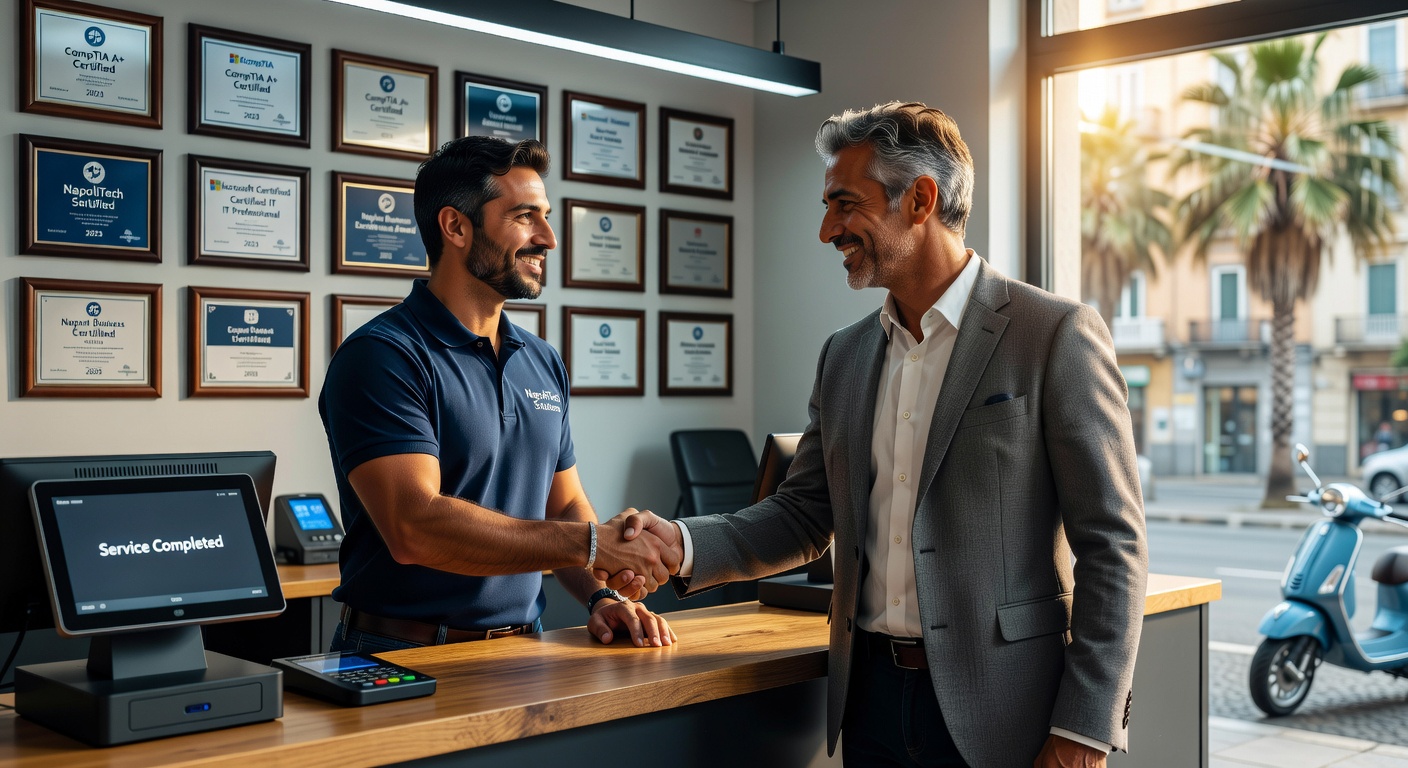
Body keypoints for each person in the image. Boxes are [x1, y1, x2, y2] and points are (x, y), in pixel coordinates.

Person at [612, 102, 1149, 767]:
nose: (826, 230)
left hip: (1009, 712)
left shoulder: (1053, 335)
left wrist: (1085, 730)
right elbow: (805, 513)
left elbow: (1113, 545)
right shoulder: (845, 355)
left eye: (845, 204)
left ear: (921, 199)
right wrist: (683, 543)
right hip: (868, 703)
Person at [319, 136, 679, 654]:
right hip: (401, 652)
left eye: (547, 216)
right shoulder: (383, 356)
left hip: (522, 651)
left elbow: (566, 504)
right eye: (525, 216)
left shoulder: (541, 360)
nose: (549, 238)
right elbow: (414, 526)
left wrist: (602, 596)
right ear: (456, 226)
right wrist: (594, 543)